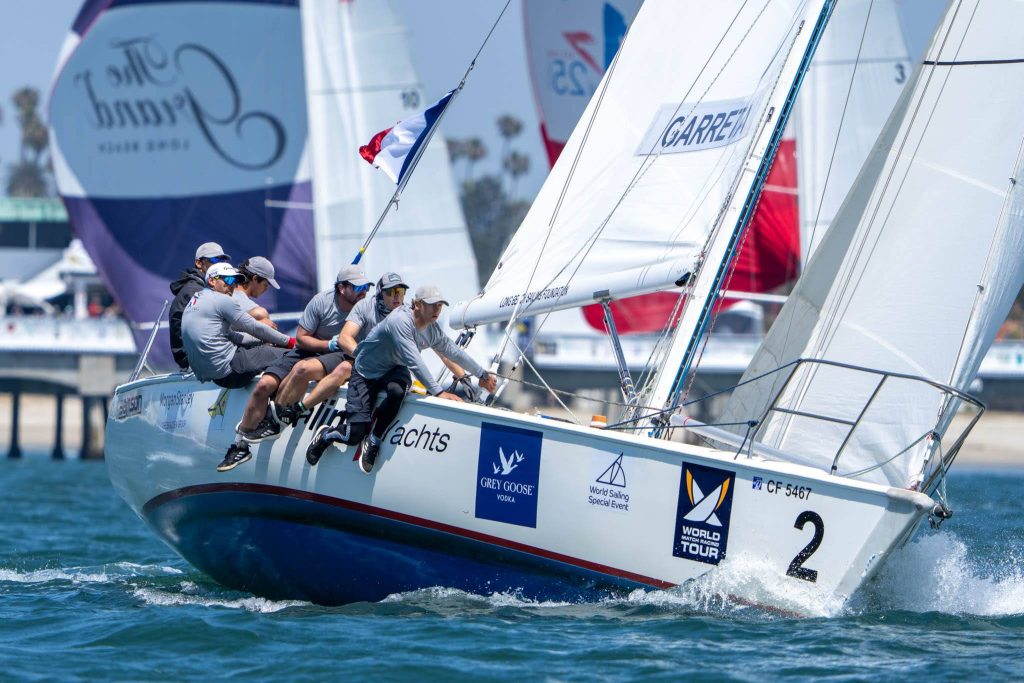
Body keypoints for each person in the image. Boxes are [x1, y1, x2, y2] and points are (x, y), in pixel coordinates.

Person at [306, 284, 497, 474]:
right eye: (432, 305)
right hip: (366, 372)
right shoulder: (399, 321)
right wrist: (439, 392)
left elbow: (453, 351)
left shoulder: (431, 328)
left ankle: (374, 440)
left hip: (393, 369)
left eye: (440, 305)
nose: (437, 310)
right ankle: (326, 435)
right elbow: (414, 361)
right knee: (353, 435)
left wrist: (482, 374)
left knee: (398, 391)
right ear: (417, 305)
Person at [225, 264, 371, 458]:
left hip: (341, 356)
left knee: (302, 369)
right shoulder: (321, 301)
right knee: (263, 384)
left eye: (366, 288)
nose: (364, 293)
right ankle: (239, 444)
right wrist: (328, 345)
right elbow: (302, 338)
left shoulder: (366, 308)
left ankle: (275, 423)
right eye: (359, 288)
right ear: (341, 288)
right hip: (315, 348)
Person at [270, 271, 408, 427]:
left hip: (369, 363)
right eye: (391, 292)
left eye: (400, 292)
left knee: (338, 370)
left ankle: (292, 412)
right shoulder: (358, 305)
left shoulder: (405, 313)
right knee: (301, 369)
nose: (396, 296)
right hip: (353, 357)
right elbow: (342, 338)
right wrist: (333, 346)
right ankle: (276, 419)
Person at [170, 242, 230, 369]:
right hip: (197, 361)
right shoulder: (195, 291)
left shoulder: (205, 289)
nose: (220, 264)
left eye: (223, 260)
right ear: (199, 263)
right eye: (214, 260)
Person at [234, 256, 280, 328]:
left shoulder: (220, 287)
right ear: (255, 278)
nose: (266, 289)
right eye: (266, 284)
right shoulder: (259, 313)